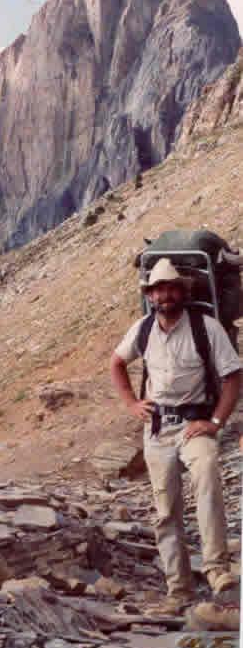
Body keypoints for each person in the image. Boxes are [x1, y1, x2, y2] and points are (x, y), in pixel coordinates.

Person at [110, 258, 242, 616]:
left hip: (194, 424)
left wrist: (215, 421)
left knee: (207, 475)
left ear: (182, 291)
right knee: (166, 512)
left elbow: (233, 376)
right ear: (150, 295)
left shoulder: (206, 327)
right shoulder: (142, 329)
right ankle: (179, 590)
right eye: (158, 290)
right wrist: (131, 404)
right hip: (156, 430)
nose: (165, 295)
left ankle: (216, 570)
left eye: (171, 288)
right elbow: (117, 363)